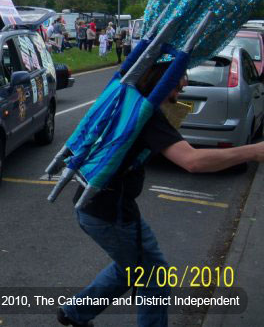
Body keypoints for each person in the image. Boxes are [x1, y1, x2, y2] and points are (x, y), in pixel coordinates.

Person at [57, 61, 264, 327]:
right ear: (162, 81)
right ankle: (75, 313)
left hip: (98, 206)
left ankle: (75, 313)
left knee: (131, 268)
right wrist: (253, 151)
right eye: (178, 84)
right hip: (109, 214)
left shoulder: (131, 101)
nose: (182, 91)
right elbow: (193, 161)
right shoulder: (147, 116)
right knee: (155, 277)